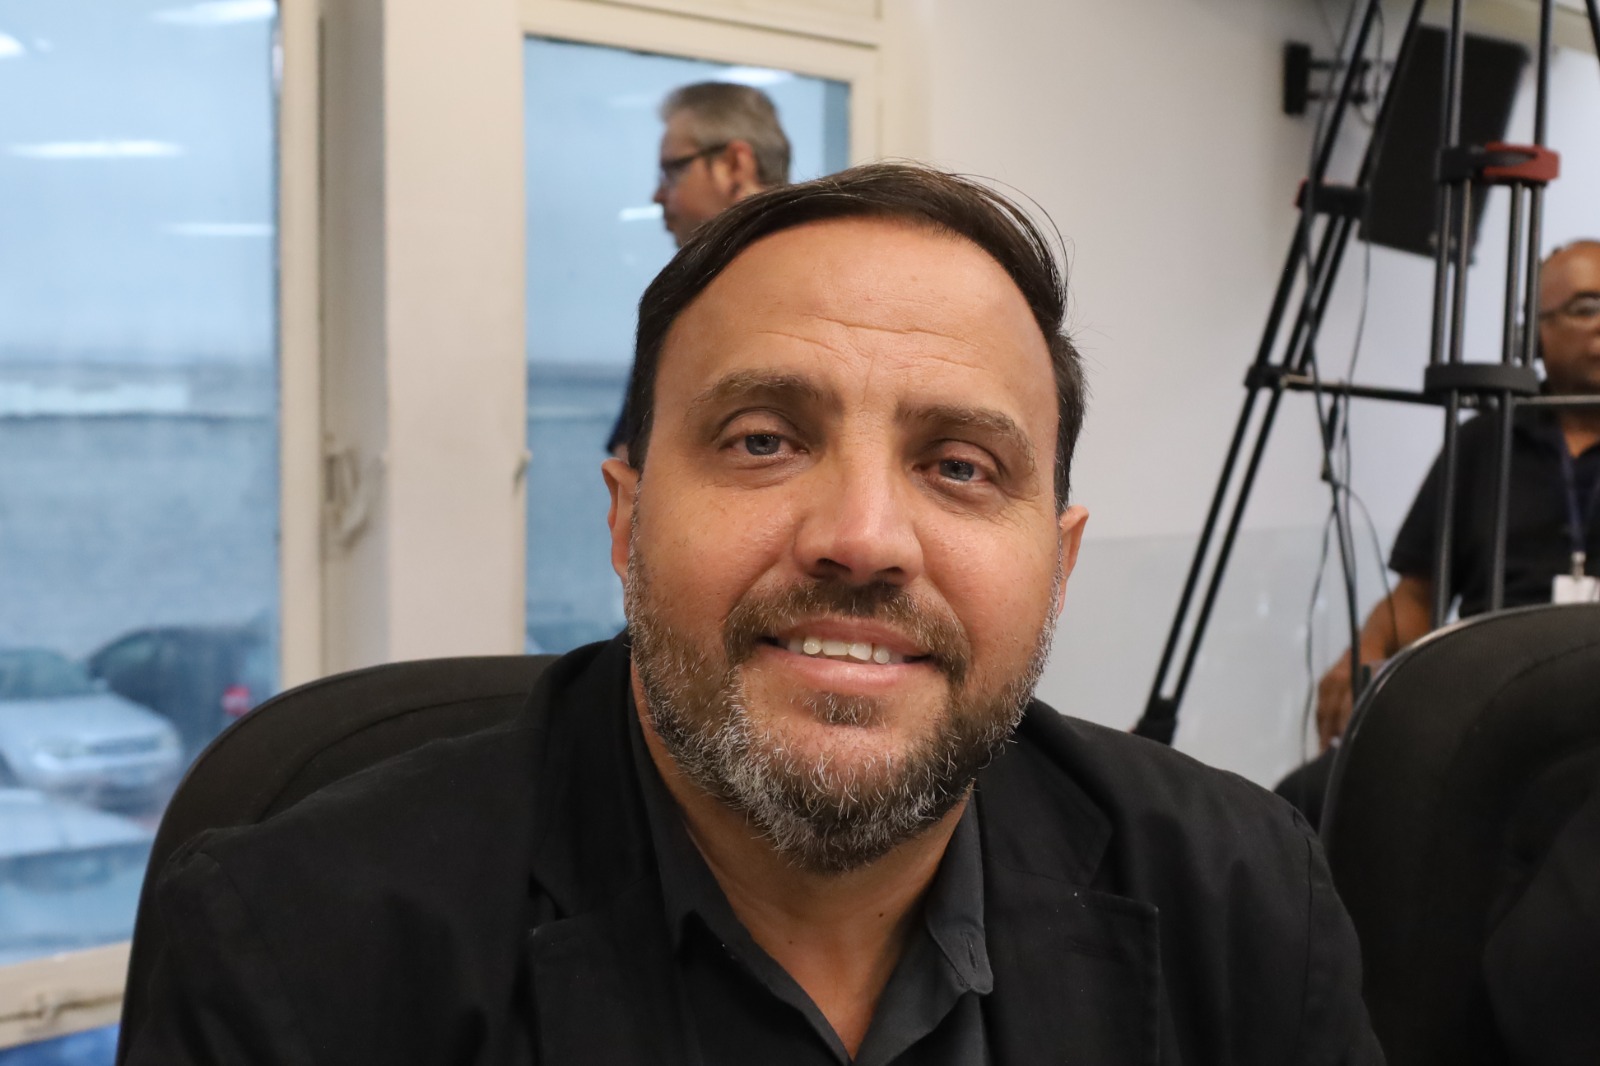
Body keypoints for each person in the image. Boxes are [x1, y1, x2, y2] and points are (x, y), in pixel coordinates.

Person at [122, 164, 1382, 1065]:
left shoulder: (1244, 901)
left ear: (1056, 567)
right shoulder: (295, 953)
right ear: (626, 520)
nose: (863, 537)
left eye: (959, 465)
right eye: (763, 439)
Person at [1278, 239, 1600, 825]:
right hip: (1493, 701)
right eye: (1586, 307)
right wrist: (1363, 653)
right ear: (1538, 335)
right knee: (1304, 800)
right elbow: (1418, 596)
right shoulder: (1483, 442)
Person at [607, 81, 793, 457]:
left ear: (734, 164)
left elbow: (635, 463)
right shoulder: (691, 286)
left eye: (672, 171)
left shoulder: (694, 294)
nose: (658, 195)